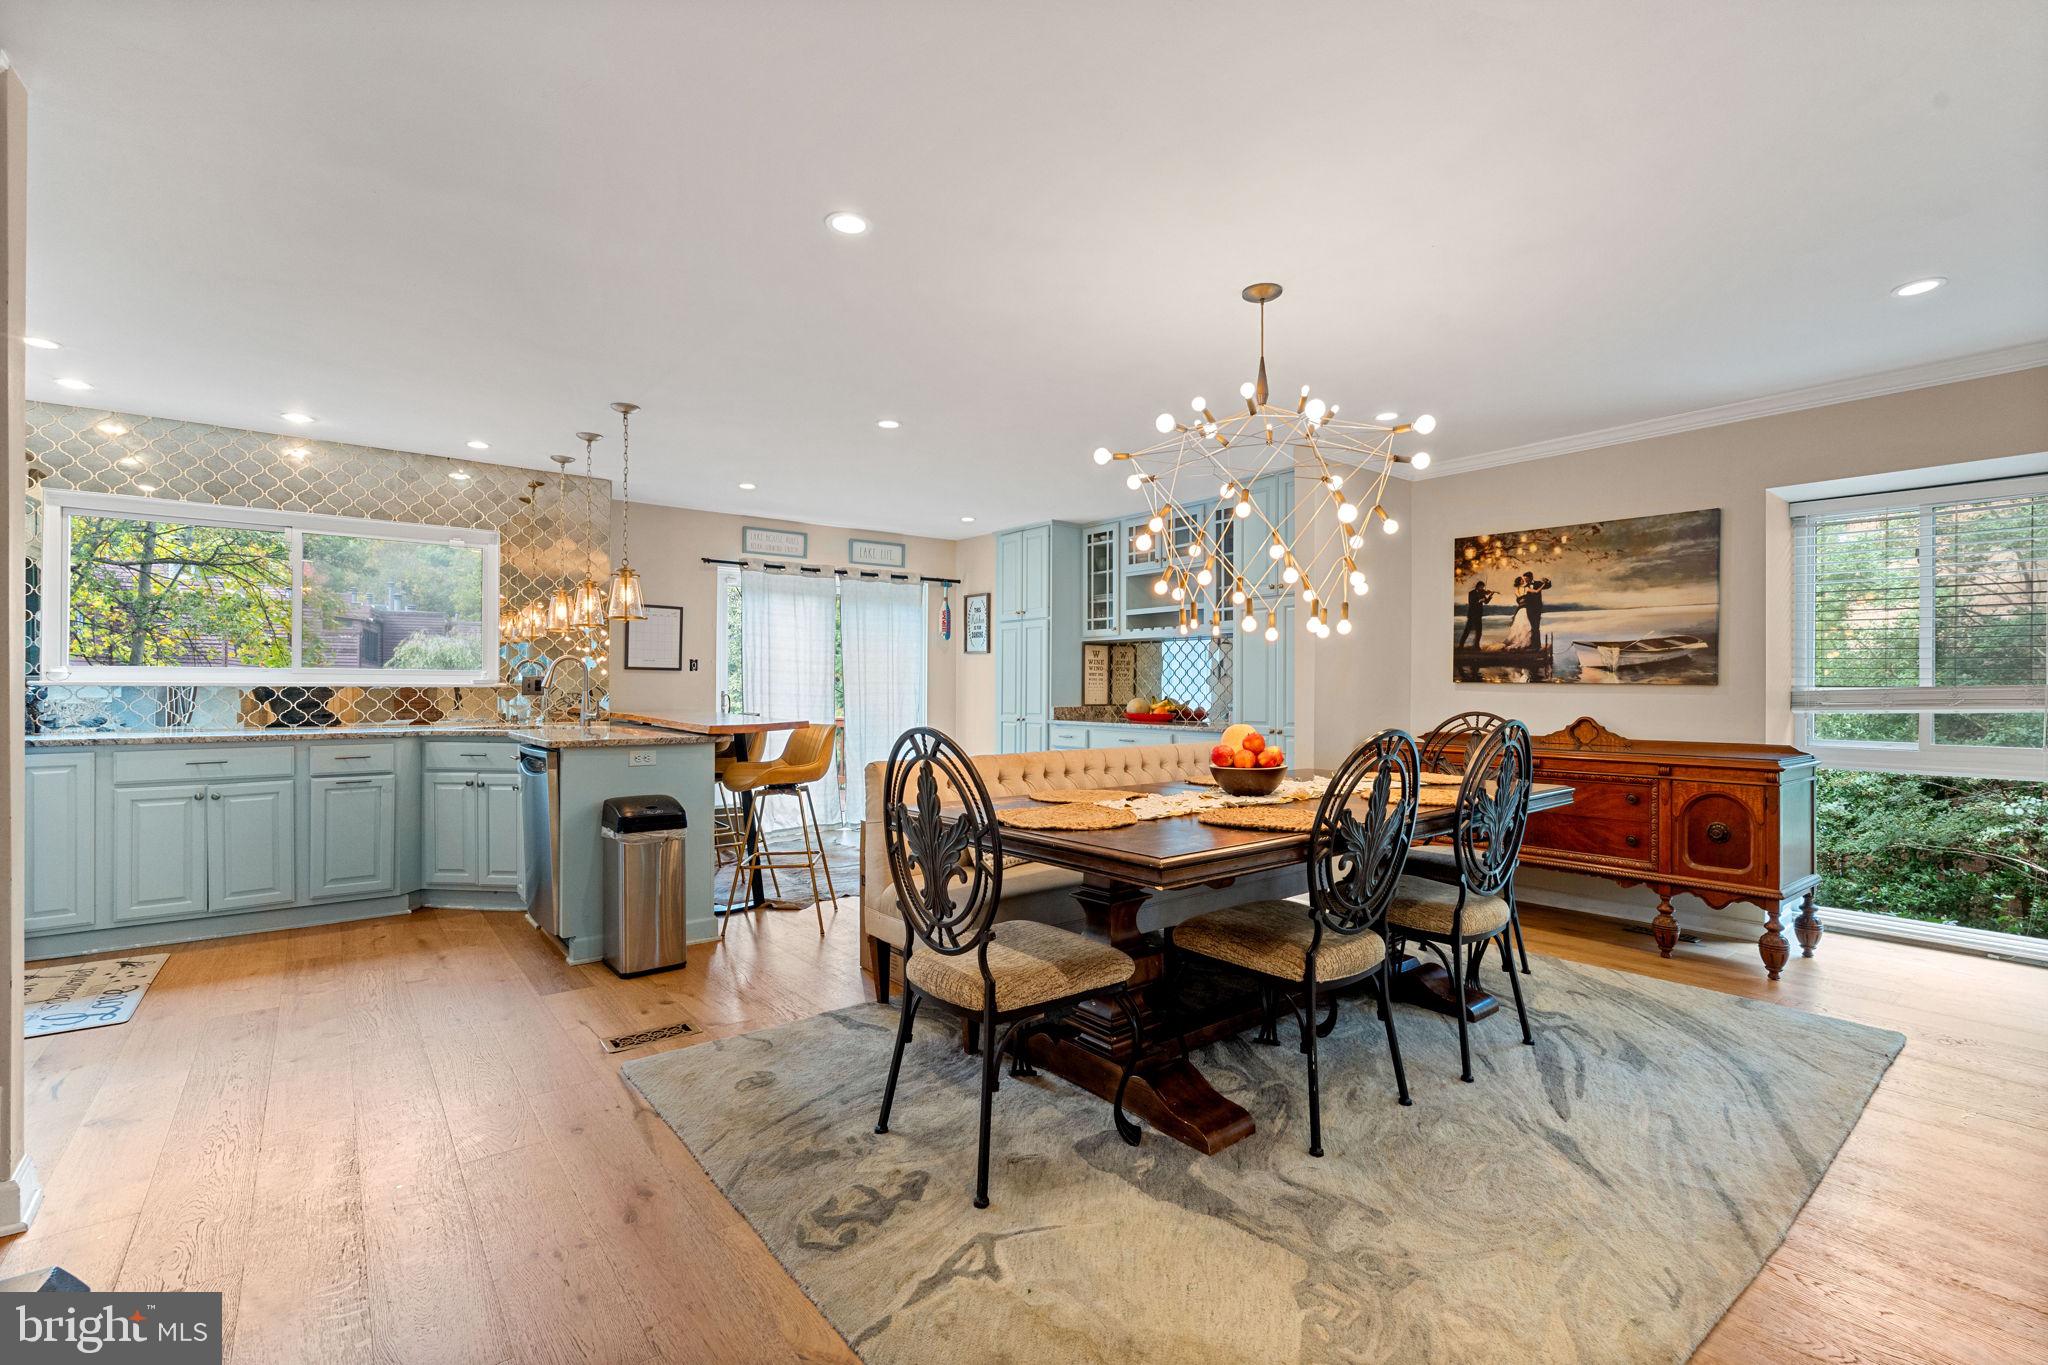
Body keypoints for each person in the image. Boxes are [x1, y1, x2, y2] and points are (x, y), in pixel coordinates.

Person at [1502, 575, 1536, 650]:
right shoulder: (1517, 590)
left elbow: (1532, 593)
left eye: (1523, 579)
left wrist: (1527, 591)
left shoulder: (1526, 588)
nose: (1523, 580)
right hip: (1521, 609)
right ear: (1518, 582)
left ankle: (1526, 642)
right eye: (1521, 580)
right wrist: (1526, 593)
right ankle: (1519, 642)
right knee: (1520, 624)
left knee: (1526, 625)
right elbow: (1520, 599)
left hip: (1525, 608)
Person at [1459, 580, 1495, 648]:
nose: (1483, 589)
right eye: (1482, 587)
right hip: (1472, 615)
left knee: (1479, 631)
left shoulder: (1482, 593)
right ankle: (1461, 645)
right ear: (1478, 586)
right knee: (1467, 631)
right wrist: (1479, 601)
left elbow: (1486, 602)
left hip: (1479, 615)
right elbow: (1471, 603)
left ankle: (1476, 646)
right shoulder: (1471, 593)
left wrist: (1490, 596)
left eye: (1483, 587)